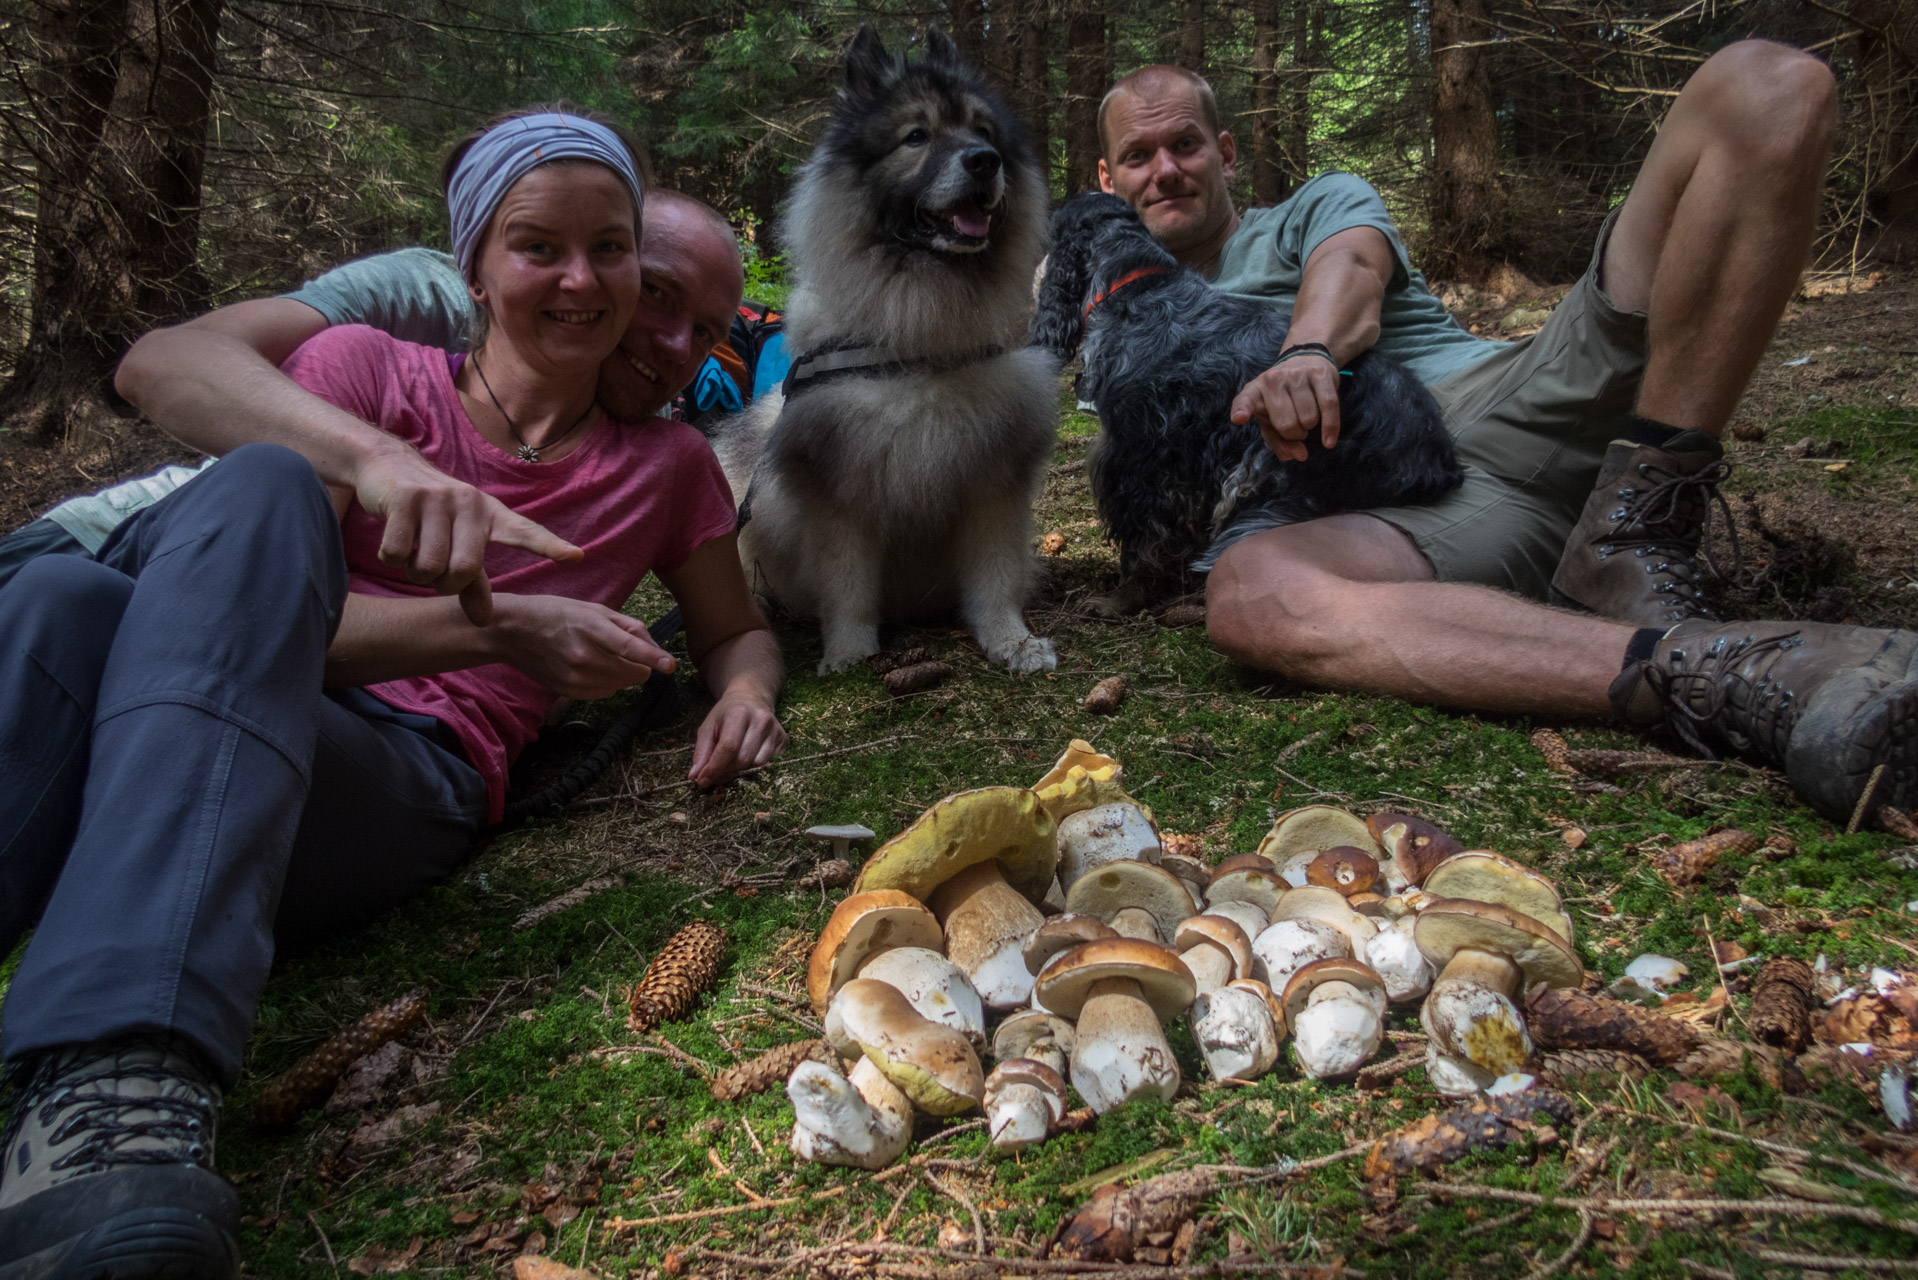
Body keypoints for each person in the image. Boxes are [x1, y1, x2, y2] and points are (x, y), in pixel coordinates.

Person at [0, 108, 782, 1279]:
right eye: (545, 249)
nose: (642, 321)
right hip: (215, 722)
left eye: (614, 258)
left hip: (390, 772)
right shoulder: (365, 371)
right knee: (79, 589)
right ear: (470, 263)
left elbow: (737, 626)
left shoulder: (666, 468)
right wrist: (489, 606)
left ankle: (119, 1078)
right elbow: (247, 618)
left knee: (98, 595)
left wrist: (747, 691)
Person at [1094, 47, 1915, 822]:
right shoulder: (1124, 333)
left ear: (1226, 152)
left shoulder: (1315, 206)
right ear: (1106, 180)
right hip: (1430, 521)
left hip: (1512, 401)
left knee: (1768, 85)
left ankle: (1645, 519)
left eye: (1186, 145)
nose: (1166, 170)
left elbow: (1349, 272)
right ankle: (1732, 674)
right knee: (1250, 600)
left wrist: (1307, 349)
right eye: (1139, 156)